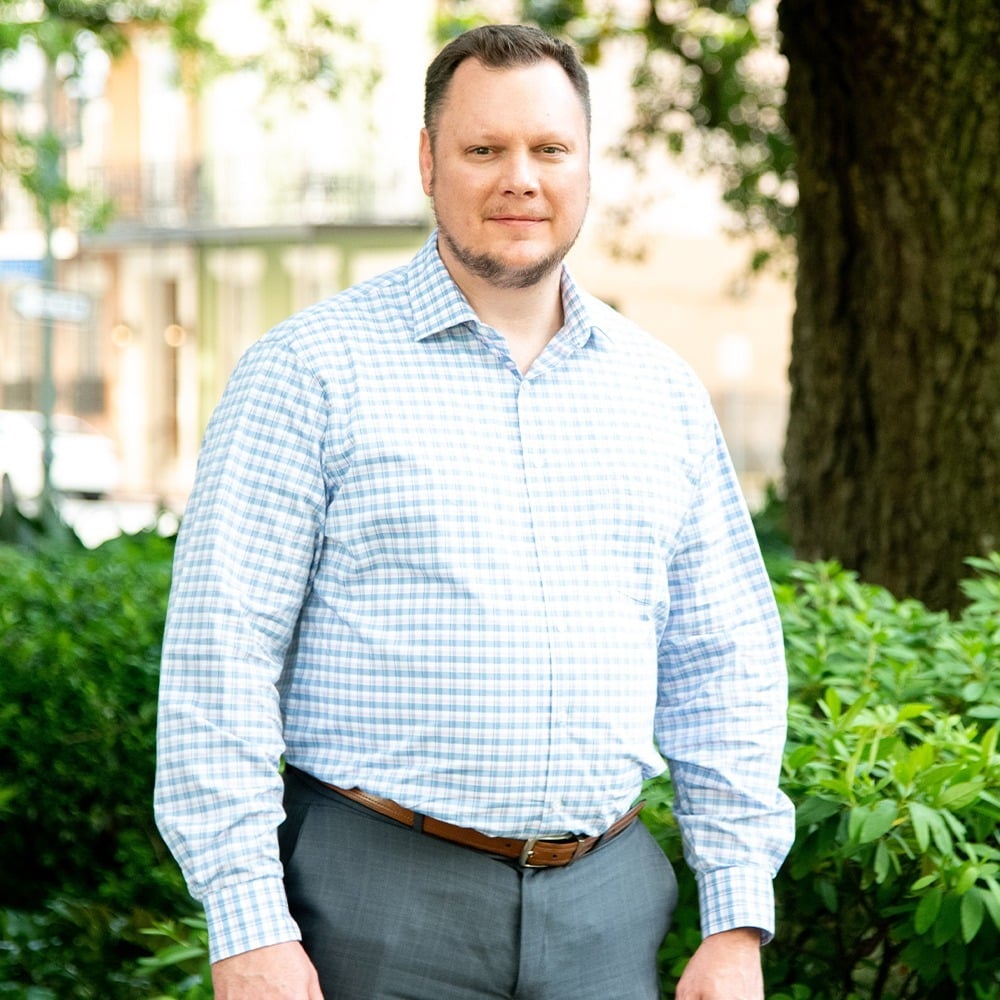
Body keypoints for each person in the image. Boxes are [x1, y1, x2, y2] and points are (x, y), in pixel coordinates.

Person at [155, 23, 794, 1000]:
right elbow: (220, 655)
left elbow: (724, 659)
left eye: (549, 150)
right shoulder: (306, 372)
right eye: (483, 149)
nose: (520, 180)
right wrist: (247, 925)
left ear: (586, 164)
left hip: (606, 908)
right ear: (427, 160)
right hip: (369, 901)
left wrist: (736, 916)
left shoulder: (661, 392)